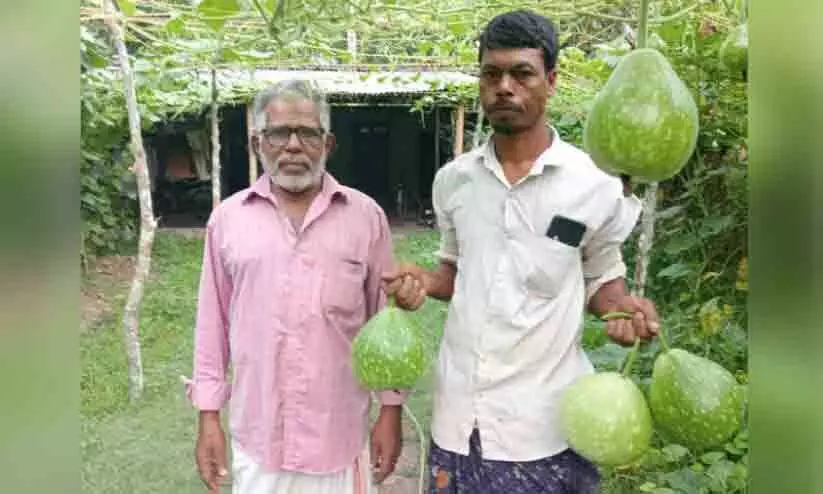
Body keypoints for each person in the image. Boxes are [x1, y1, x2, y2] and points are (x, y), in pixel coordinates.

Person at [382, 10, 661, 494]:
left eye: (522, 73)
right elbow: (454, 272)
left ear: (550, 81)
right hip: (457, 420)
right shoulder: (454, 181)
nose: (504, 87)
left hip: (545, 427)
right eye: (491, 74)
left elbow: (603, 281)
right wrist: (423, 283)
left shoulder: (595, 183)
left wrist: (623, 312)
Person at [186, 79, 406, 494]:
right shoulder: (228, 220)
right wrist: (208, 416)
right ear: (257, 144)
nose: (292, 145)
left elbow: (384, 321)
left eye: (307, 132)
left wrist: (390, 409)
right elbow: (211, 327)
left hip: (340, 438)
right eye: (278, 133)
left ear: (328, 143)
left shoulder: (365, 218)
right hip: (260, 438)